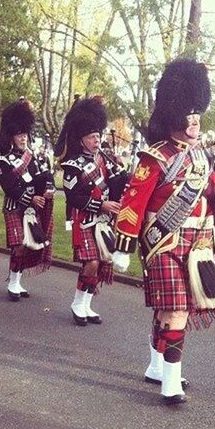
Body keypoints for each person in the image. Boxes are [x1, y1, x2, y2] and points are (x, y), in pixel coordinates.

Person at [112, 58, 215, 404]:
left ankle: (157, 366)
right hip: (163, 241)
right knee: (176, 308)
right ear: (174, 115)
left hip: (198, 244)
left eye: (198, 113)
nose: (195, 120)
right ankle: (171, 381)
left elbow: (210, 195)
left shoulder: (205, 159)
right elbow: (133, 201)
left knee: (169, 309)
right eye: (189, 113)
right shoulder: (154, 158)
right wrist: (123, 244)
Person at [55, 96, 128, 326]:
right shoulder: (72, 166)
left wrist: (120, 176)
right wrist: (101, 205)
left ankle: (87, 303)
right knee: (92, 263)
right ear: (81, 140)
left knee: (102, 262)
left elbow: (115, 186)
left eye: (98, 136)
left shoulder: (105, 160)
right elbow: (73, 197)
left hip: (104, 220)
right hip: (86, 218)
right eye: (92, 137)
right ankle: (78, 302)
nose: (97, 141)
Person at [0, 99, 55, 301]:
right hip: (14, 207)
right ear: (11, 137)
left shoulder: (33, 158)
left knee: (27, 246)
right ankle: (12, 283)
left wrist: (48, 188)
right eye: (20, 135)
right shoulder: (4, 161)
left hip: (29, 209)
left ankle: (17, 281)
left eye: (24, 134)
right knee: (18, 245)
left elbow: (39, 178)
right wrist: (32, 198)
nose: (23, 138)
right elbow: (10, 187)